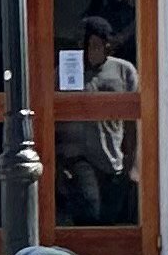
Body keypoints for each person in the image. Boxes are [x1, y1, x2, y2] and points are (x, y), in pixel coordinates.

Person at [59, 17, 138, 226]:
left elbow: (133, 119)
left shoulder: (124, 70)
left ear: (107, 45)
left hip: (112, 158)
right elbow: (50, 111)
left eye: (95, 45)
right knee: (89, 210)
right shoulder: (66, 70)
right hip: (76, 157)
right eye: (83, 45)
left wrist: (133, 160)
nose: (89, 51)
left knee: (109, 218)